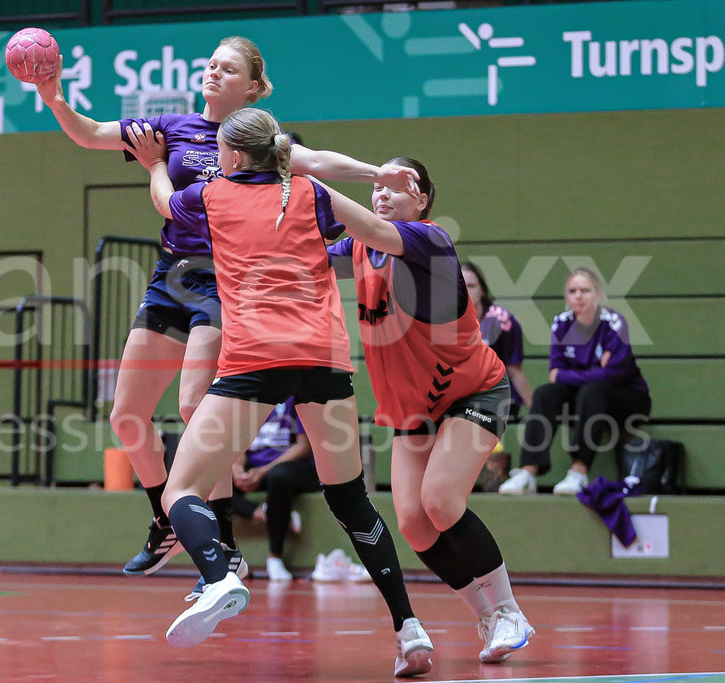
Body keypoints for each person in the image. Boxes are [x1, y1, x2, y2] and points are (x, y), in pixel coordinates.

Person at [36, 36, 421, 575]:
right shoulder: (173, 128)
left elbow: (320, 162)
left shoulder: (263, 142)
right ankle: (165, 518)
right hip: (169, 281)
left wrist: (376, 173)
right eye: (211, 64)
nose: (215, 72)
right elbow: (92, 132)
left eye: (229, 68)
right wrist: (54, 97)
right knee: (127, 416)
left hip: (225, 284)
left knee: (196, 406)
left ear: (253, 88)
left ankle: (223, 546)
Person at [125, 109, 434, 677]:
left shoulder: (213, 194)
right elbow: (380, 235)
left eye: (219, 150)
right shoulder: (312, 192)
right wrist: (387, 187)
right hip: (325, 363)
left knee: (180, 488)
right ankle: (409, 629)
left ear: (235, 157)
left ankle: (220, 575)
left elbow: (167, 202)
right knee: (351, 499)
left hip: (256, 362)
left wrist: (151, 166)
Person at [319, 157, 535, 664]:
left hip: (472, 391)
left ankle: (509, 611)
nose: (383, 192)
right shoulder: (361, 248)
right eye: (378, 184)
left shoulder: (429, 241)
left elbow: (347, 216)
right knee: (415, 523)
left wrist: (295, 176)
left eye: (399, 185)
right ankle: (485, 616)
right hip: (411, 409)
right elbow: (311, 250)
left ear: (423, 199)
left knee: (440, 499)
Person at [498, 267, 652, 496]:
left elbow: (613, 375)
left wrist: (570, 375)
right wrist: (590, 372)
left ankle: (578, 472)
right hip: (586, 397)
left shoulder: (614, 323)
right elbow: (555, 374)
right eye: (572, 291)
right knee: (545, 393)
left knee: (594, 390)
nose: (578, 296)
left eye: (585, 290)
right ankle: (528, 472)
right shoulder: (561, 323)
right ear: (566, 297)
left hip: (628, 398)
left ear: (598, 294)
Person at [231, 397, 318, 582]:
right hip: (255, 468)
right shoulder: (249, 400)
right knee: (212, 477)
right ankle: (262, 512)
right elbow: (240, 447)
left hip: (293, 467)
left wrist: (262, 472)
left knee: (278, 476)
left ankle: (275, 557)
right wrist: (237, 469)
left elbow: (304, 446)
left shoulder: (296, 397)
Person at [461, 261, 533, 421]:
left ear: (482, 290)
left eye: (471, 286)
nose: (465, 292)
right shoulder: (440, 323)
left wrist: (536, 415)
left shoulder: (502, 322)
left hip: (498, 397)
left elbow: (515, 372)